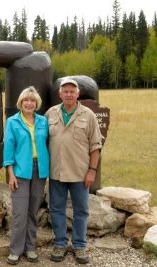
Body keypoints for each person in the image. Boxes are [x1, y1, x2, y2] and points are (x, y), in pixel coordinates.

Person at [45, 78, 102, 264]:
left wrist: (92, 170)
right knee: (56, 209)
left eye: (72, 91)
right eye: (65, 91)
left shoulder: (89, 115)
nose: (69, 94)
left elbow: (95, 147)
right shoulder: (50, 114)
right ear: (60, 94)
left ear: (78, 94)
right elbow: (42, 142)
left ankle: (79, 245)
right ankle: (60, 243)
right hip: (56, 173)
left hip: (80, 173)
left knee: (81, 211)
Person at [3, 86, 49, 264]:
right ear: (20, 103)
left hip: (40, 170)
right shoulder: (13, 122)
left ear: (36, 103)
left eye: (32, 100)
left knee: (32, 211)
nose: (29, 103)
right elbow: (8, 149)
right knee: (19, 213)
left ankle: (30, 248)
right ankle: (15, 250)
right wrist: (11, 174)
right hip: (20, 171)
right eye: (25, 100)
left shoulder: (43, 121)